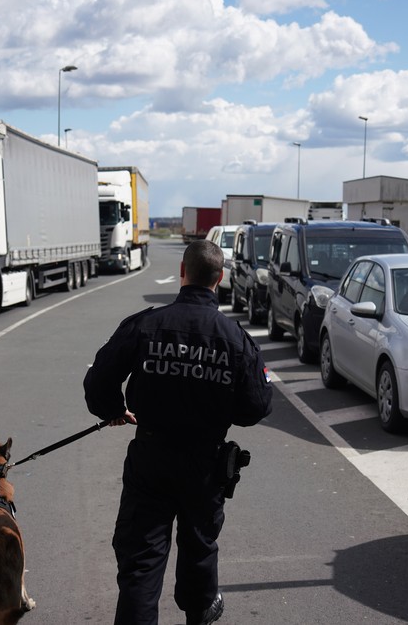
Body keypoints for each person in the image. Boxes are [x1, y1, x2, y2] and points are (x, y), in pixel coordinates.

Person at [84, 240, 273, 625]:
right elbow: (256, 406)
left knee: (141, 560)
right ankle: (199, 610)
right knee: (200, 547)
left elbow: (98, 381)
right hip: (205, 463)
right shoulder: (235, 338)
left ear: (183, 273)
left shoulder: (147, 324)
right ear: (218, 279)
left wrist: (115, 410)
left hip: (151, 457)